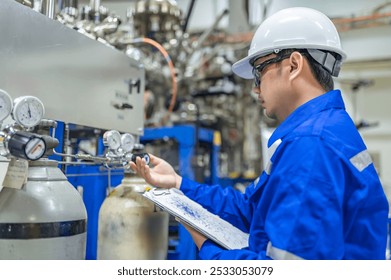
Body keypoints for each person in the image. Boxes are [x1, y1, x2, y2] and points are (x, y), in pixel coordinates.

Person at [130, 7, 389, 260]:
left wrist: (207, 247)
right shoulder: (321, 131)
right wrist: (178, 183)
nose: (255, 89)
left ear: (294, 65)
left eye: (259, 72)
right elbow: (252, 210)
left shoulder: (311, 145)